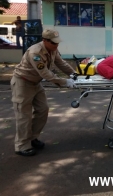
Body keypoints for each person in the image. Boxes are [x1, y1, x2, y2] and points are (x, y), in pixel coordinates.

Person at [11, 29, 77, 157]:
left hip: (36, 83)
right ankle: (22, 145)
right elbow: (46, 73)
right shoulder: (35, 53)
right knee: (24, 115)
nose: (56, 45)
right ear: (45, 41)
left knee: (43, 110)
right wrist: (64, 82)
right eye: (53, 43)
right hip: (23, 83)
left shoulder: (52, 49)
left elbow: (61, 63)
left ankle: (32, 138)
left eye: (58, 43)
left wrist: (73, 74)